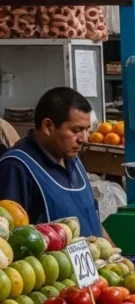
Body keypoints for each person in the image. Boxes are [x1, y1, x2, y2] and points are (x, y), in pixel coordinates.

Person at [0, 87, 105, 238]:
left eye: (87, 130)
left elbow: (93, 220)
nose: (84, 139)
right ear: (48, 127)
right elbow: (7, 237)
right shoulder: (16, 167)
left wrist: (117, 252)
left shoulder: (73, 160)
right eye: (76, 130)